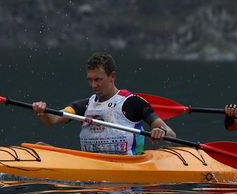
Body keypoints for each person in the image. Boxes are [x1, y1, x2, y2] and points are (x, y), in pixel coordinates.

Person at [32, 52, 176, 155]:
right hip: (91, 164)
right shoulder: (85, 105)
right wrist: (43, 112)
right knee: (39, 146)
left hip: (127, 172)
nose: (93, 85)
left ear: (112, 76)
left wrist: (161, 131)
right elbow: (53, 119)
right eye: (90, 80)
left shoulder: (132, 102)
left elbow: (171, 134)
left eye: (98, 79)